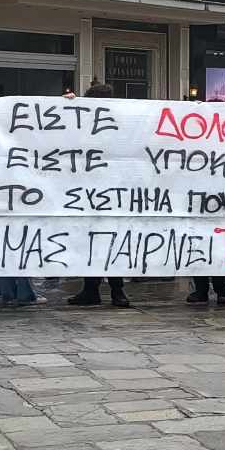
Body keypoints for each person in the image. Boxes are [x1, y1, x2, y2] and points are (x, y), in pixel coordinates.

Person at [68, 82, 132, 308]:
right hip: (104, 192)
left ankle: (102, 289)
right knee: (101, 242)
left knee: (98, 242)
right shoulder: (115, 122)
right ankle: (108, 290)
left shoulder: (115, 122)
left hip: (95, 193)